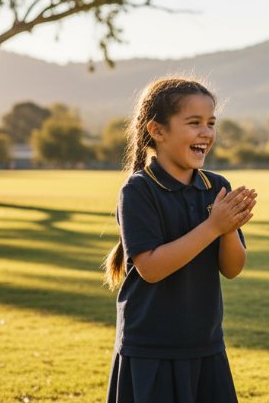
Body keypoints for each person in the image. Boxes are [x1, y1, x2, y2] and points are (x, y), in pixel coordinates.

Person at [102, 77, 256, 403]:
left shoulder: (217, 187)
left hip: (206, 345)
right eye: (194, 123)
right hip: (150, 349)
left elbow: (233, 268)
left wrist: (229, 227)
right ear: (157, 130)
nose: (206, 133)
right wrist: (214, 226)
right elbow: (151, 268)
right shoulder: (139, 190)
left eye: (211, 123)